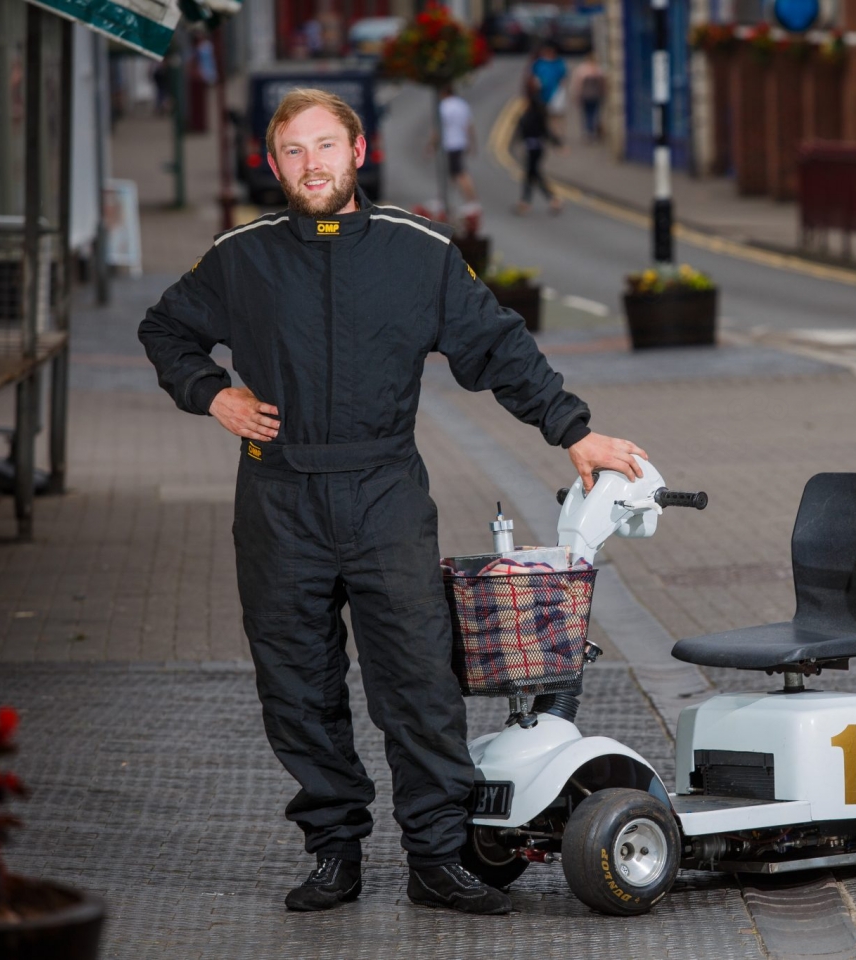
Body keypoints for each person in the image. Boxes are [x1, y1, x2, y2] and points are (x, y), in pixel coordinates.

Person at [137, 88, 646, 915]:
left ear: (358, 153)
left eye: (324, 147)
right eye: (293, 151)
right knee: (297, 687)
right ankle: (334, 853)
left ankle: (437, 859)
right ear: (273, 165)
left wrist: (574, 432)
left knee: (417, 683)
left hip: (385, 495)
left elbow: (497, 345)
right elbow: (165, 329)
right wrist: (213, 394)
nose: (311, 165)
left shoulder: (419, 252)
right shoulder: (242, 257)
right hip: (279, 498)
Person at [515, 77, 562, 215]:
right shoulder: (532, 105)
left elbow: (544, 128)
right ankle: (529, 202)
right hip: (532, 146)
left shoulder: (536, 106)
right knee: (531, 174)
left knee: (533, 174)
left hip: (535, 146)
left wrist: (557, 143)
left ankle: (550, 199)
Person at [433, 83, 478, 204]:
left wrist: (432, 145)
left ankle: (472, 200)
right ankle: (449, 200)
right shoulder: (462, 104)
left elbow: (438, 128)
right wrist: (471, 143)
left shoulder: (444, 106)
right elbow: (469, 125)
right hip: (461, 142)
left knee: (460, 173)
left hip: (450, 143)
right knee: (453, 174)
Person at [529, 42, 568, 138]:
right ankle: (549, 134)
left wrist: (561, 91)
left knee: (557, 115)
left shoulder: (558, 63)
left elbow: (563, 77)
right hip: (542, 94)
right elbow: (532, 78)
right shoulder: (538, 63)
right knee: (546, 115)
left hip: (556, 93)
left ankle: (558, 134)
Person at [572, 53, 605, 142]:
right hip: (595, 95)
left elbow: (578, 84)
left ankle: (589, 131)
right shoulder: (598, 69)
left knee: (587, 114)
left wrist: (577, 94)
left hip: (586, 95)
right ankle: (591, 131)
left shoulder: (582, 69)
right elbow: (602, 83)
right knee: (594, 113)